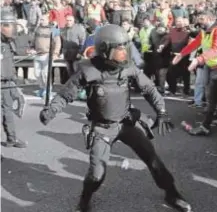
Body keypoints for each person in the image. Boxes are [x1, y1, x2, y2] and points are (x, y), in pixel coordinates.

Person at [39, 24, 192, 212]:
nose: (124, 53)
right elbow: (65, 95)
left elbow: (149, 89)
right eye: (118, 48)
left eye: (125, 46)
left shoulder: (129, 67)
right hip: (102, 128)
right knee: (96, 175)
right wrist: (51, 110)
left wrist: (161, 110)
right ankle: (84, 200)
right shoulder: (88, 70)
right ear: (104, 50)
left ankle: (172, 193)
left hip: (127, 122)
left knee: (154, 161)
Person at [1, 9, 27, 148]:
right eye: (9, 25)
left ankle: (12, 138)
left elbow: (11, 60)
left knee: (8, 111)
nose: (12, 28)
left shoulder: (7, 42)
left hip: (7, 83)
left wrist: (14, 80)